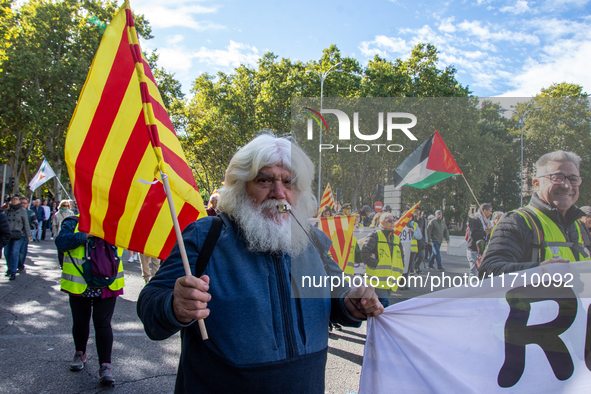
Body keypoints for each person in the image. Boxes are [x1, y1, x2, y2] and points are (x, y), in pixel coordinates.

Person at [137, 134, 383, 393]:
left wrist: (352, 302)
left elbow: (338, 293)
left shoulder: (313, 240)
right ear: (241, 186)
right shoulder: (204, 236)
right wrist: (173, 306)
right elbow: (150, 307)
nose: (279, 193)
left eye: (289, 182)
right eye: (264, 180)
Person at [480, 150, 591, 276]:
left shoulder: (580, 226)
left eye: (573, 179)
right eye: (557, 178)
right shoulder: (516, 222)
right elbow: (488, 271)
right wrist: (538, 270)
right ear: (536, 184)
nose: (566, 185)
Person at [55, 215, 125, 386]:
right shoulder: (73, 221)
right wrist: (84, 235)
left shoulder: (115, 220)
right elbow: (61, 242)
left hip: (107, 284)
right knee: (80, 322)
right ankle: (80, 352)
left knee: (103, 324)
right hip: (79, 283)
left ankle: (105, 366)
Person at [361, 212, 404, 307]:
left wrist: (401, 269)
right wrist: (376, 263)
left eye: (393, 220)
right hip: (377, 281)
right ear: (382, 223)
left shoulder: (396, 239)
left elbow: (401, 256)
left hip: (392, 280)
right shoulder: (375, 235)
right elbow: (364, 254)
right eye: (389, 220)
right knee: (383, 305)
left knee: (379, 307)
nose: (392, 222)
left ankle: (375, 322)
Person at [4, 195, 32, 280]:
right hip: (8, 234)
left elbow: (26, 223)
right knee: (6, 253)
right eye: (13, 199)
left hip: (18, 235)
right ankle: (9, 268)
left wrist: (28, 235)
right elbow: (4, 222)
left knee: (14, 252)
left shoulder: (23, 211)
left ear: (19, 201)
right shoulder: (7, 210)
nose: (14, 200)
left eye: (16, 199)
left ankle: (13, 272)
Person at [466, 203, 493, 278]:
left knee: (479, 272)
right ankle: (472, 288)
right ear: (484, 211)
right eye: (490, 211)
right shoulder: (475, 220)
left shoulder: (485, 221)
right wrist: (486, 232)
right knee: (473, 272)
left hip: (481, 250)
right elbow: (473, 234)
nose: (491, 213)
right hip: (474, 249)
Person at [52, 200, 75, 268]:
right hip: (60, 234)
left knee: (68, 250)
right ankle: (61, 264)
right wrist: (55, 235)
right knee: (60, 250)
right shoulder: (57, 214)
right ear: (61, 206)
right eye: (64, 205)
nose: (66, 207)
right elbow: (54, 225)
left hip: (69, 234)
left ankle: (68, 263)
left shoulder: (71, 213)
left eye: (67, 206)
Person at [18, 197, 38, 273]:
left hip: (25, 235)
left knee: (22, 251)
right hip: (15, 235)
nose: (22, 205)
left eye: (24, 203)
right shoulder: (15, 212)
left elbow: (35, 222)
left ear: (27, 204)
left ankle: (20, 266)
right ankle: (13, 266)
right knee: (14, 251)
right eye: (21, 203)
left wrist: (29, 228)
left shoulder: (30, 212)